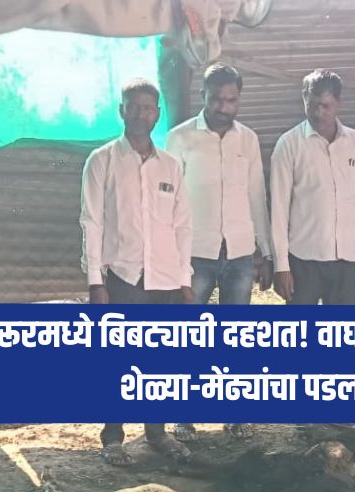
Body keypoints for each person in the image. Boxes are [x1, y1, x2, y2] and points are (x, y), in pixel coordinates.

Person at [80, 78, 193, 466]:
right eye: (135, 107)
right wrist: (96, 282)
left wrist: (185, 280)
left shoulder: (171, 166)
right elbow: (91, 222)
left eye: (148, 108)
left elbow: (182, 225)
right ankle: (113, 438)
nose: (142, 114)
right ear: (122, 111)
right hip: (123, 278)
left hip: (166, 279)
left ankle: (157, 433)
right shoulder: (102, 161)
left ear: (157, 114)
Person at [165, 62, 272, 443]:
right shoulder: (180, 138)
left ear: (239, 99)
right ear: (203, 96)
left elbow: (257, 196)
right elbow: (169, 202)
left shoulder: (248, 139)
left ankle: (235, 413)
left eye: (231, 100)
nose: (223, 107)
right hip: (195, 252)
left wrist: (266, 251)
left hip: (240, 252)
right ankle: (183, 415)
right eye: (216, 99)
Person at [269, 69, 355, 305]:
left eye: (326, 106)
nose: (319, 112)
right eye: (313, 105)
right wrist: (281, 266)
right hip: (303, 261)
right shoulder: (289, 144)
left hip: (347, 261)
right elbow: (278, 211)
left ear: (339, 103)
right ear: (304, 99)